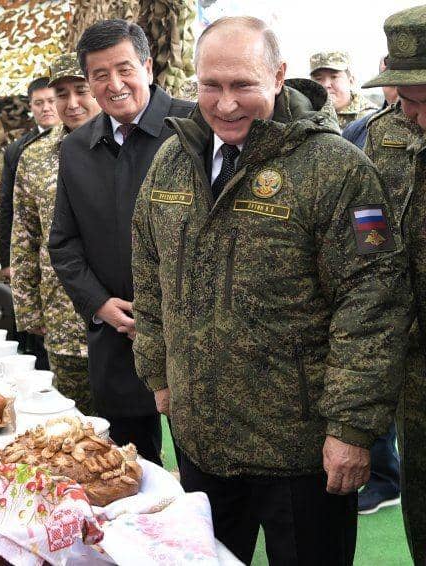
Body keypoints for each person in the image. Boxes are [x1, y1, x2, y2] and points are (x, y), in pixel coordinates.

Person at [131, 16, 411, 564]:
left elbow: (373, 302)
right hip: (202, 439)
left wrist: (353, 429)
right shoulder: (172, 161)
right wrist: (158, 370)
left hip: (302, 453)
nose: (225, 103)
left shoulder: (339, 170)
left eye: (243, 85)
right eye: (211, 85)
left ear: (279, 76)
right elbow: (148, 270)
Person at [48, 19, 194, 464]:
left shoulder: (195, 127)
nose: (114, 85)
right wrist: (99, 304)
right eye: (99, 75)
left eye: (124, 69)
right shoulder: (77, 149)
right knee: (131, 470)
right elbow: (64, 243)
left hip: (194, 334)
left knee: (206, 472)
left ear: (147, 66)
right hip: (119, 335)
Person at [363, 6, 426, 561]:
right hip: (413, 363)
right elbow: (368, 225)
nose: (416, 116)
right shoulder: (381, 138)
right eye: (407, 100)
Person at [11, 53, 100, 416]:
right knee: (75, 423)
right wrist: (31, 315)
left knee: (135, 431)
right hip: (62, 314)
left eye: (81, 90)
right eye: (61, 94)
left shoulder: (131, 146)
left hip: (127, 318)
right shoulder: (35, 157)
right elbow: (24, 239)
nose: (72, 103)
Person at [341, 56, 402, 517]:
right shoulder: (369, 134)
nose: (413, 112)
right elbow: (367, 228)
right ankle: (388, 479)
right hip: (394, 315)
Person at [0, 76, 59, 279]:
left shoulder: (83, 138)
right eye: (39, 103)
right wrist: (7, 260)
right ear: (31, 106)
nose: (46, 108)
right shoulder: (18, 150)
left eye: (51, 101)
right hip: (36, 243)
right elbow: (8, 206)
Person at [309, 50, 378, 129]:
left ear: (351, 81)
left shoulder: (370, 119)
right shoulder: (301, 115)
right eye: (318, 79)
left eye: (334, 77)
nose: (326, 85)